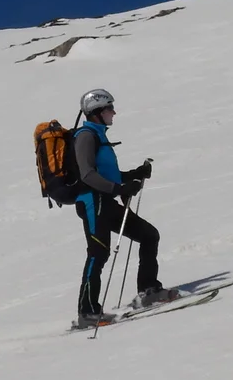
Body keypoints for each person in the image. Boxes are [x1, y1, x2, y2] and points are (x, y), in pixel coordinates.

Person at [71, 88, 171, 326]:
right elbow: (87, 175)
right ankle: (87, 312)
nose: (114, 112)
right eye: (109, 108)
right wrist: (119, 190)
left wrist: (132, 176)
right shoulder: (86, 136)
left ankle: (148, 291)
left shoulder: (98, 134)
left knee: (149, 235)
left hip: (105, 202)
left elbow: (108, 174)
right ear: (96, 112)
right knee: (98, 254)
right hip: (92, 203)